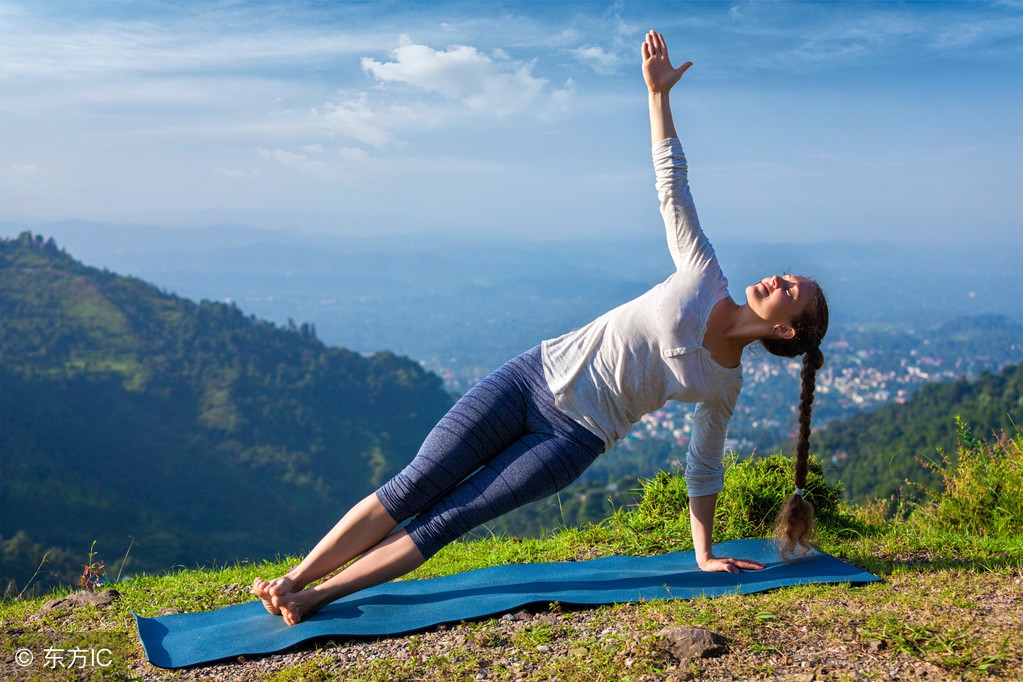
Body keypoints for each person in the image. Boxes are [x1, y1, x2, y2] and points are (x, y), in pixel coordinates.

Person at [253, 30, 829, 626]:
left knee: (449, 518)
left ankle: (315, 598)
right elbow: (671, 186)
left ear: (786, 331)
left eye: (792, 292)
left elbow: (704, 464)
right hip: (531, 375)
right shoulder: (705, 272)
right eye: (786, 275)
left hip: (571, 440)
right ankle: (293, 578)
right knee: (414, 484)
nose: (778, 281)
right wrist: (658, 96)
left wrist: (703, 555)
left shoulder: (723, 383)